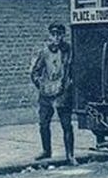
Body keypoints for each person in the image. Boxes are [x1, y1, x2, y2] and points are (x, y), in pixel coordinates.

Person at [30, 23, 75, 164]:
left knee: (66, 124)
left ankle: (70, 155)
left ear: (63, 35)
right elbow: (35, 72)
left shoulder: (69, 51)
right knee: (43, 123)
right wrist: (41, 85)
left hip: (63, 92)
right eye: (53, 34)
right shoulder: (44, 52)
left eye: (59, 34)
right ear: (50, 35)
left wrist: (69, 84)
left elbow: (74, 70)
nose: (56, 37)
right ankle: (46, 150)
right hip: (46, 93)